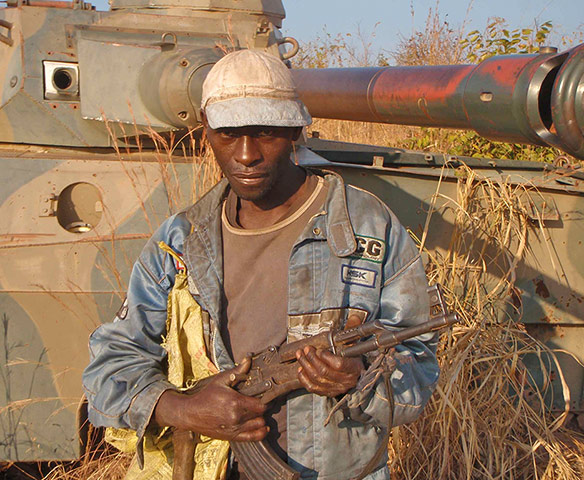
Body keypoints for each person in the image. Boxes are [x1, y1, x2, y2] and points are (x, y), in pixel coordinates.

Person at [83, 49, 439, 480]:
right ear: (206, 129)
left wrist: (359, 380)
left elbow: (418, 365)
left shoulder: (367, 228)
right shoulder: (180, 242)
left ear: (296, 130)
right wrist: (182, 409)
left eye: (266, 132)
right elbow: (110, 364)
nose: (247, 154)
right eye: (229, 134)